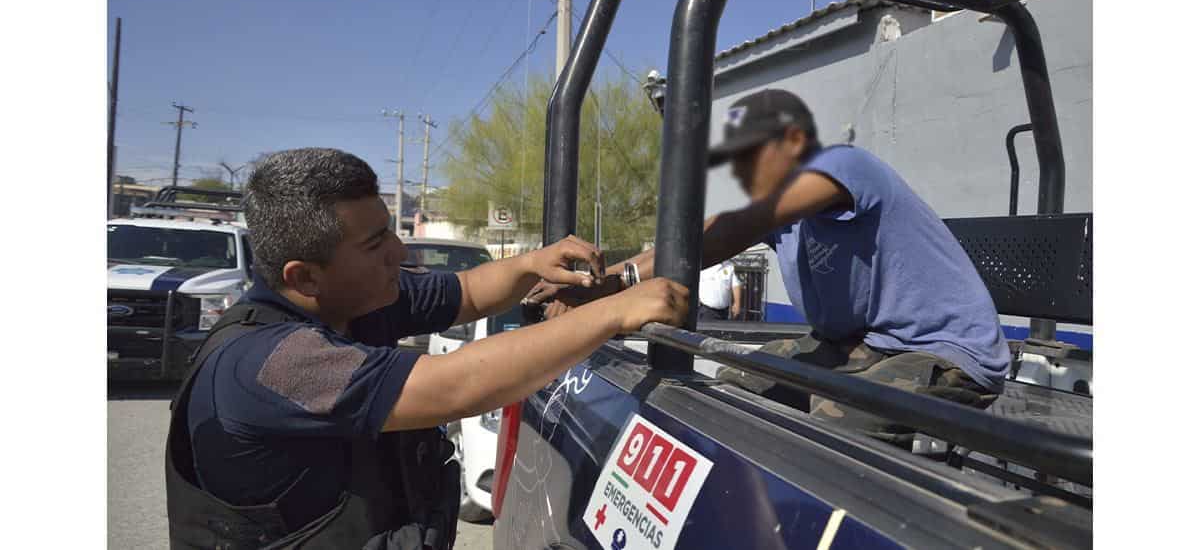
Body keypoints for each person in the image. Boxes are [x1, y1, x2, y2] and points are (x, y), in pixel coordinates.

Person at [165, 148, 688, 549]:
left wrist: (533, 263)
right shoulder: (272, 362)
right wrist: (614, 311)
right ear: (304, 276)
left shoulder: (351, 301)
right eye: (374, 245)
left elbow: (467, 291)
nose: (399, 251)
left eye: (390, 231)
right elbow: (456, 385)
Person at [527, 88, 1010, 447]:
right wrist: (598, 285)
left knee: (833, 418)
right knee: (736, 383)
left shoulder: (845, 167)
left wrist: (614, 286)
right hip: (863, 345)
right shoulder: (780, 217)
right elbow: (693, 241)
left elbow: (735, 227)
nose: (741, 168)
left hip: (946, 353)